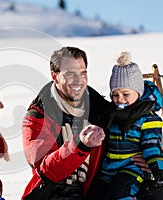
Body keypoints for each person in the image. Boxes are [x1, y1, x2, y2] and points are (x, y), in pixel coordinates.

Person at [21, 47, 150, 200]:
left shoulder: (100, 109)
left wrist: (152, 156)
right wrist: (80, 145)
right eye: (70, 74)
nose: (79, 80)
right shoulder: (37, 117)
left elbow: (136, 117)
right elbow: (46, 170)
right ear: (54, 76)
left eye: (83, 73)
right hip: (51, 195)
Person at [85, 52, 163, 200]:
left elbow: (152, 146)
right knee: (93, 194)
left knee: (120, 193)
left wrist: (158, 171)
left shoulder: (148, 118)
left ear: (138, 93)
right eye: (115, 94)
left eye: (125, 94)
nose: (120, 99)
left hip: (133, 169)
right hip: (109, 168)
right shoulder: (113, 115)